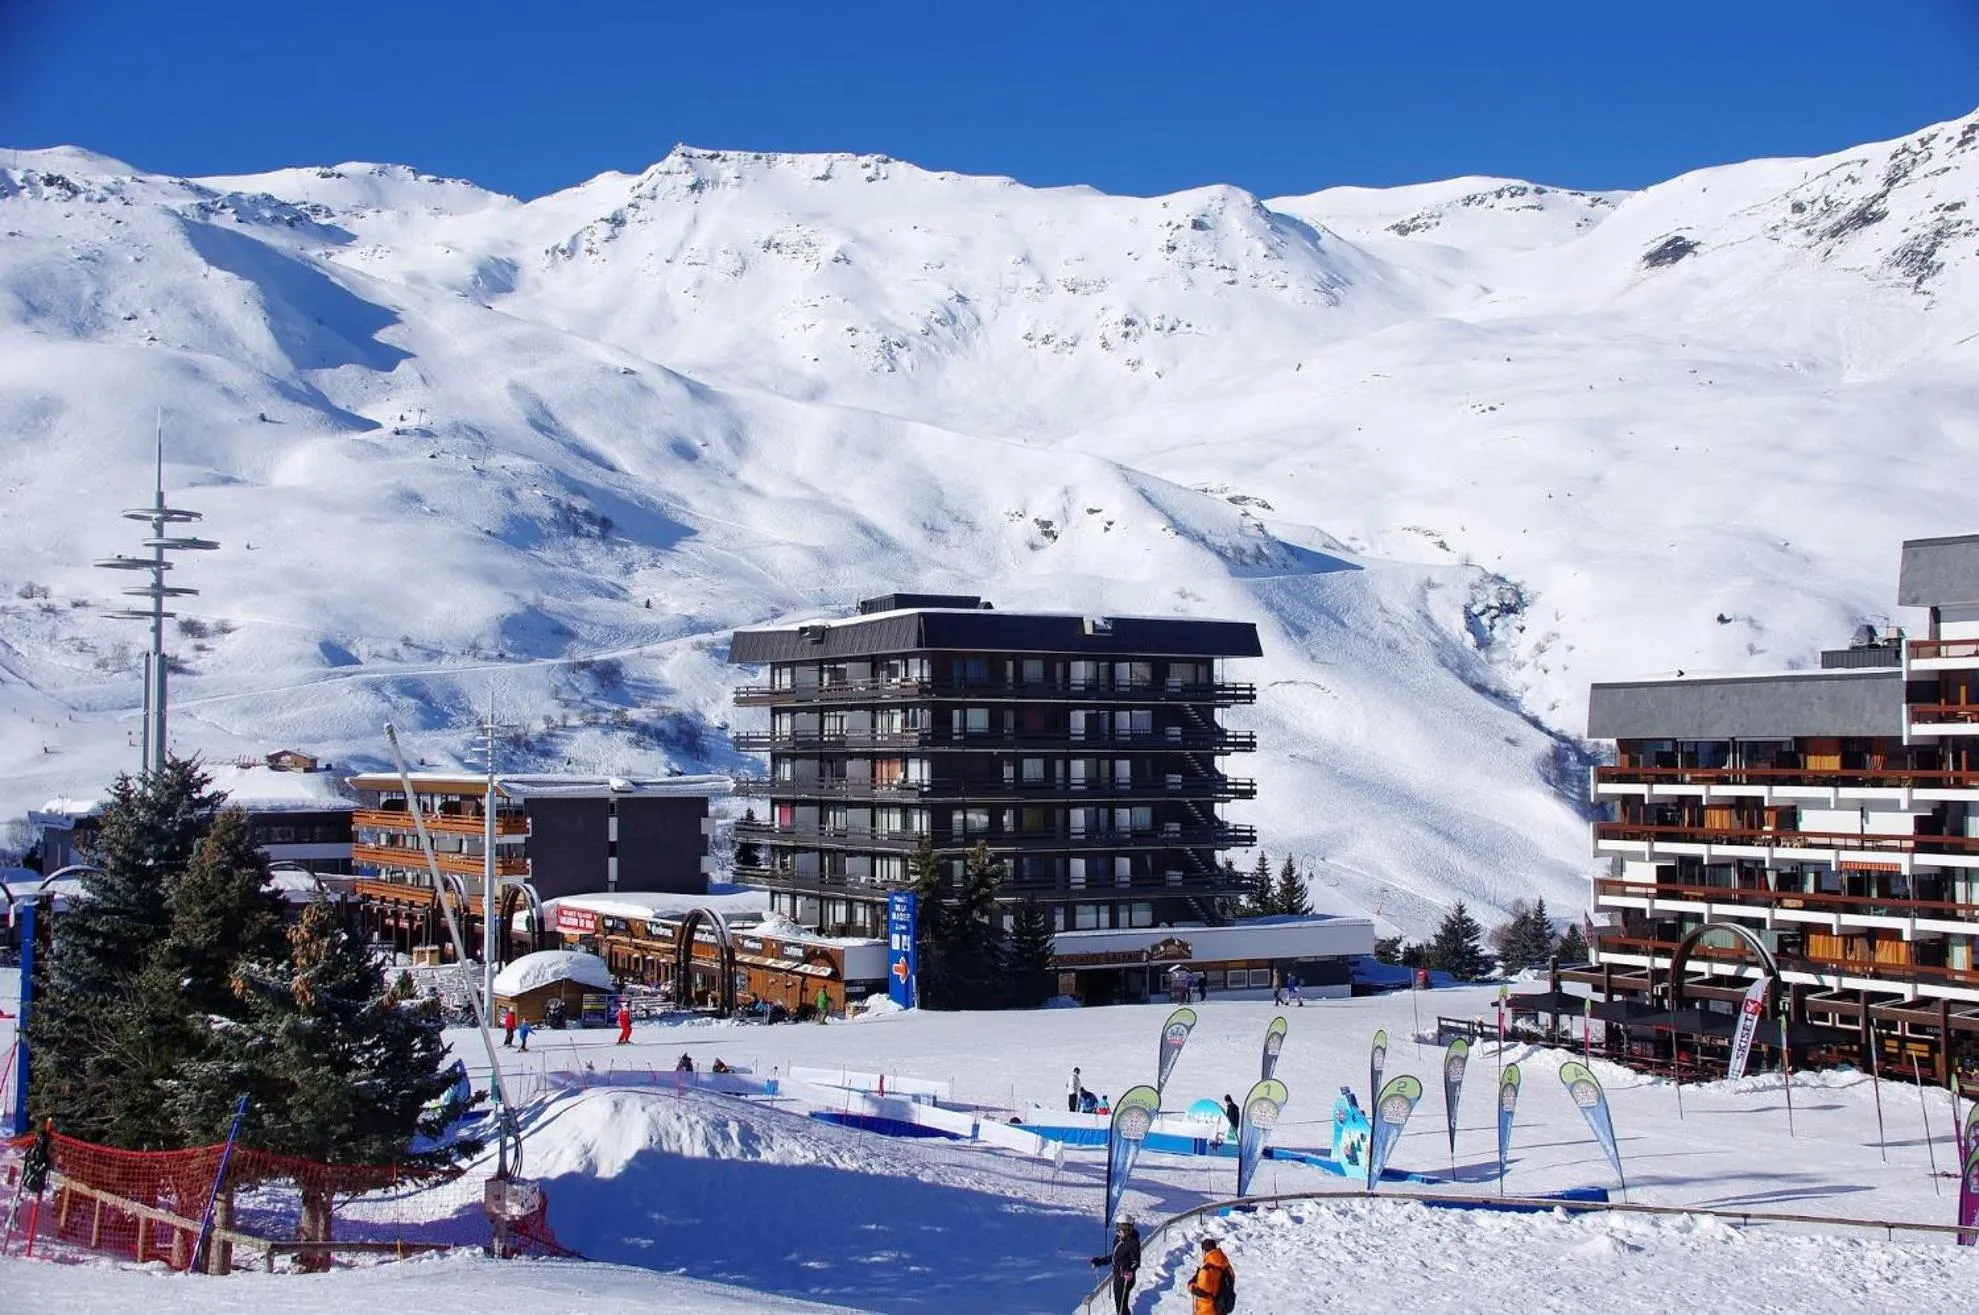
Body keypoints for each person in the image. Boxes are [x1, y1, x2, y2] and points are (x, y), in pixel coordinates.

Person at [1089, 1218, 1142, 1315]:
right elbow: (1114, 1257)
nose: (1121, 1230)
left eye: (1125, 1227)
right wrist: (1100, 1261)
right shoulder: (1118, 1239)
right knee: (1119, 1304)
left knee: (1121, 1306)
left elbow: (1136, 1261)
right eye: (1119, 1227)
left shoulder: (1133, 1242)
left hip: (1126, 1278)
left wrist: (1130, 1270)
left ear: (1130, 1227)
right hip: (1118, 1276)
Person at [1188, 1236, 1234, 1315]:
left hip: (1207, 1310)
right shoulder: (1226, 1266)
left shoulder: (1207, 1270)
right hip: (1221, 1309)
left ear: (1204, 1251)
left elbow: (1200, 1291)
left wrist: (1191, 1283)